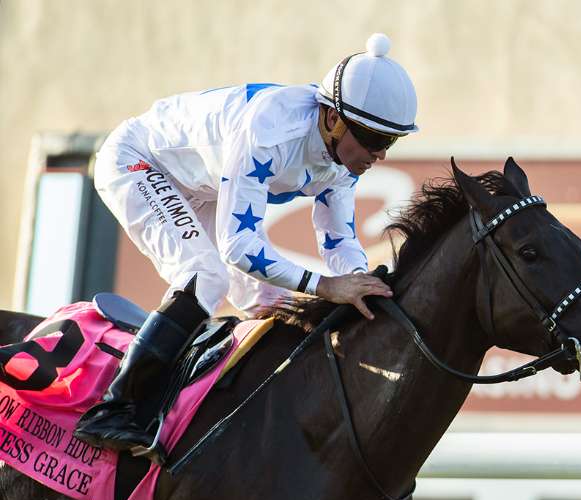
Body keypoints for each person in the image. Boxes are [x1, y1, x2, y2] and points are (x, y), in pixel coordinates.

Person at [74, 33, 418, 455]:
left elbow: (339, 242)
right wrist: (327, 287)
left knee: (272, 301)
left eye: (389, 142)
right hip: (138, 161)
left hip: (201, 185)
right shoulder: (271, 131)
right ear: (333, 118)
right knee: (206, 277)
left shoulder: (343, 158)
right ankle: (115, 408)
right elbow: (238, 246)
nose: (379, 155)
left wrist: (362, 283)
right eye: (373, 140)